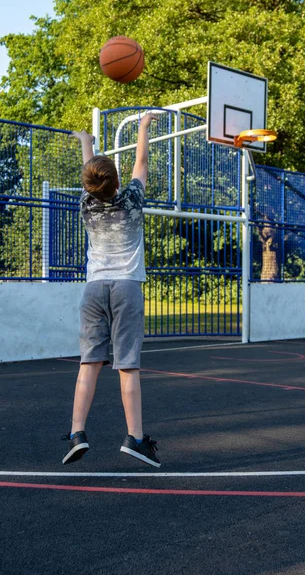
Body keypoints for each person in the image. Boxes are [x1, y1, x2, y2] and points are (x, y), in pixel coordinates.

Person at [62, 112, 160, 468]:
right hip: (126, 286)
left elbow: (92, 172)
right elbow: (142, 161)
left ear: (88, 184)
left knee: (89, 363)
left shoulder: (85, 204)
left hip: (94, 288)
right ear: (117, 182)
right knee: (128, 366)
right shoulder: (132, 200)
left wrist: (86, 141)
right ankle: (135, 439)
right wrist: (144, 126)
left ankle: (77, 433)